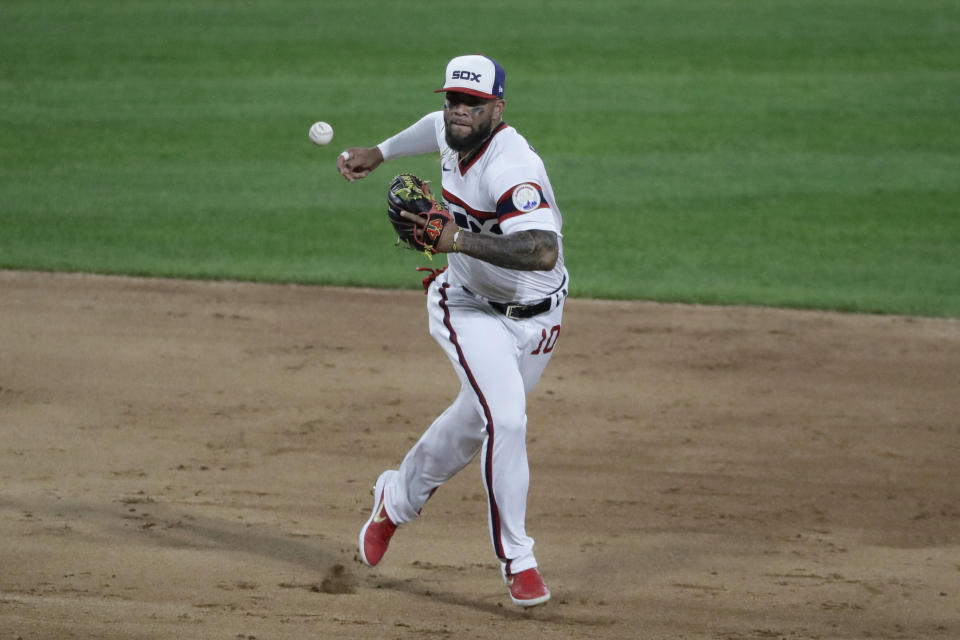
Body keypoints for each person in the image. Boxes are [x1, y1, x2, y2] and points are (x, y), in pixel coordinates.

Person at [337, 54, 569, 608]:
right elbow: (432, 127)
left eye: (473, 103)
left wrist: (457, 241)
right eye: (453, 101)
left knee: (473, 422)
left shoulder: (512, 167)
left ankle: (394, 500)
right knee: (506, 418)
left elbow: (543, 250)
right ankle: (519, 559)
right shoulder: (451, 131)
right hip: (465, 305)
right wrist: (380, 151)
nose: (459, 112)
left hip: (538, 318)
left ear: (498, 108)